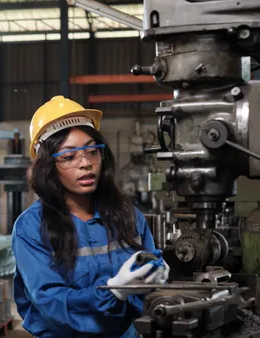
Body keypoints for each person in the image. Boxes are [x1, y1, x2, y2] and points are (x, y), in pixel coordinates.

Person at [12, 96, 170, 338]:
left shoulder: (126, 215)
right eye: (69, 156)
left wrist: (155, 276)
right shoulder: (31, 228)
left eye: (92, 151)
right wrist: (114, 292)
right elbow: (50, 301)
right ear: (47, 166)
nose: (86, 163)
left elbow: (146, 283)